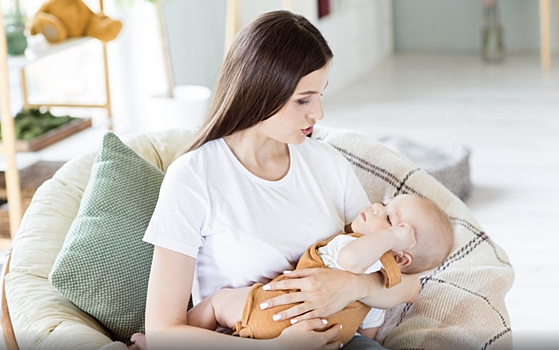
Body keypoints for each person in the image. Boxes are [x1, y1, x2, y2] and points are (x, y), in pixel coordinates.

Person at [137, 10, 422, 350]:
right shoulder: (194, 177)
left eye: (320, 95)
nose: (318, 113)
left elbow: (408, 283)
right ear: (260, 92)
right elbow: (162, 332)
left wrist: (353, 287)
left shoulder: (326, 162)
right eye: (303, 100)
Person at [131, 195, 453, 349]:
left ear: (399, 255)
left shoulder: (350, 245)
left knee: (217, 303)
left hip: (267, 307)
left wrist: (389, 239)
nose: (375, 207)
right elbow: (367, 334)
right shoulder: (377, 295)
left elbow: (355, 261)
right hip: (304, 337)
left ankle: (161, 346)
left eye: (389, 218)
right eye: (385, 203)